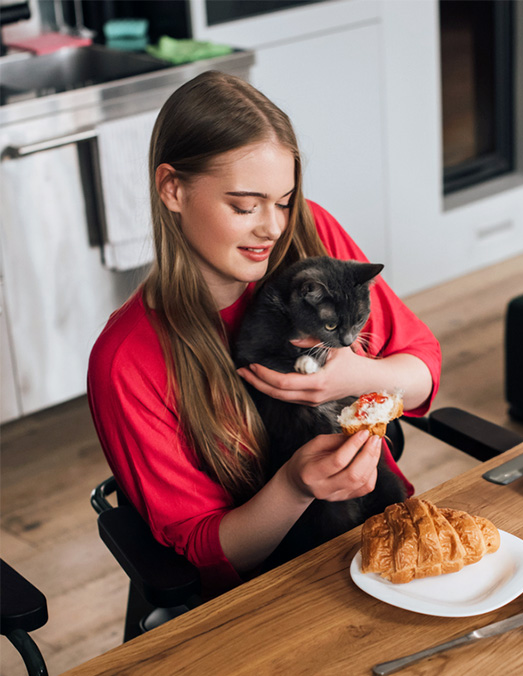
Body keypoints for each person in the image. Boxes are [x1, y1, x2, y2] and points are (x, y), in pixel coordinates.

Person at [87, 71, 441, 597]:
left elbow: (422, 370)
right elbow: (206, 557)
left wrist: (360, 374)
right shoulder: (127, 360)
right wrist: (296, 487)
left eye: (284, 200)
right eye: (244, 206)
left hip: (385, 540)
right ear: (173, 189)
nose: (272, 229)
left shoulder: (310, 233)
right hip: (271, 595)